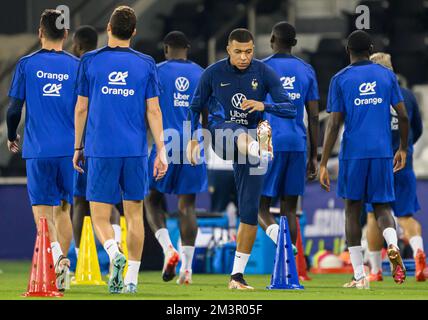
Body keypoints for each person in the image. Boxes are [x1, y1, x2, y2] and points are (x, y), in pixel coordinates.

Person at [187, 28, 296, 290]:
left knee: (249, 211)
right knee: (235, 132)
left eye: (248, 51)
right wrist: (192, 138)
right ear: (228, 50)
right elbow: (194, 106)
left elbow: (291, 108)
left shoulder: (263, 72)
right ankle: (260, 147)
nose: (244, 57)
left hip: (251, 139)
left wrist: (264, 106)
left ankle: (237, 277)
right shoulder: (213, 73)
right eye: (238, 52)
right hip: (221, 133)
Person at [73, 6, 167, 294]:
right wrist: (161, 150)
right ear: (134, 32)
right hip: (135, 151)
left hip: (101, 149)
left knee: (100, 217)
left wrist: (78, 146)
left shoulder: (89, 61)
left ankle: (115, 254)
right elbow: (154, 110)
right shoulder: (147, 63)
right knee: (134, 216)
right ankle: (131, 281)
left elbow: (81, 107)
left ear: (109, 29)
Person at [319, 30, 409, 289]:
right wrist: (402, 148)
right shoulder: (387, 76)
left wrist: (323, 162)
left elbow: (334, 124)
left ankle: (360, 276)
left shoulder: (340, 79)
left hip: (353, 154)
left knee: (352, 211)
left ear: (348, 51)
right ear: (370, 50)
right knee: (382, 208)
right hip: (382, 152)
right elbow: (402, 117)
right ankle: (392, 244)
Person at [6, 9, 78, 291]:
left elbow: (13, 110)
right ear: (65, 34)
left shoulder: (26, 64)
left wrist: (12, 135)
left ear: (40, 32)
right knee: (64, 211)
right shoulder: (77, 65)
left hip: (38, 150)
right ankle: (63, 269)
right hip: (68, 151)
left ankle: (57, 258)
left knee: (42, 216)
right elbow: (85, 108)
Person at [145, 31, 208, 285]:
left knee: (151, 198)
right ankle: (188, 270)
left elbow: (149, 109)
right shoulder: (202, 73)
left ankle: (167, 248)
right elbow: (207, 114)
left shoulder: (156, 71)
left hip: (165, 144)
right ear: (188, 48)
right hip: (193, 145)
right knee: (187, 206)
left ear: (166, 48)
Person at [258, 22, 319, 250]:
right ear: (294, 43)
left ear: (272, 40)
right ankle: (289, 268)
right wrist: (314, 156)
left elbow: (253, 111)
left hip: (269, 143)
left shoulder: (261, 68)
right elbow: (313, 117)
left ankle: (280, 242)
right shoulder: (307, 70)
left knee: (259, 206)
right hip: (297, 144)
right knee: (290, 210)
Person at [365, 52, 425, 282]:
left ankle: (375, 270)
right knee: (406, 216)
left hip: (378, 163)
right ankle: (419, 253)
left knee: (373, 216)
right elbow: (416, 128)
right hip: (404, 163)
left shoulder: (370, 96)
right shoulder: (407, 96)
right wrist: (404, 148)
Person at [71, 25, 122, 259]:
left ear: (78, 46)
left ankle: (82, 258)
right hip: (110, 144)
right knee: (108, 200)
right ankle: (118, 244)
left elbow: (78, 108)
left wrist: (77, 146)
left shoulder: (79, 66)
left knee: (79, 201)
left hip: (84, 144)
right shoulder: (107, 66)